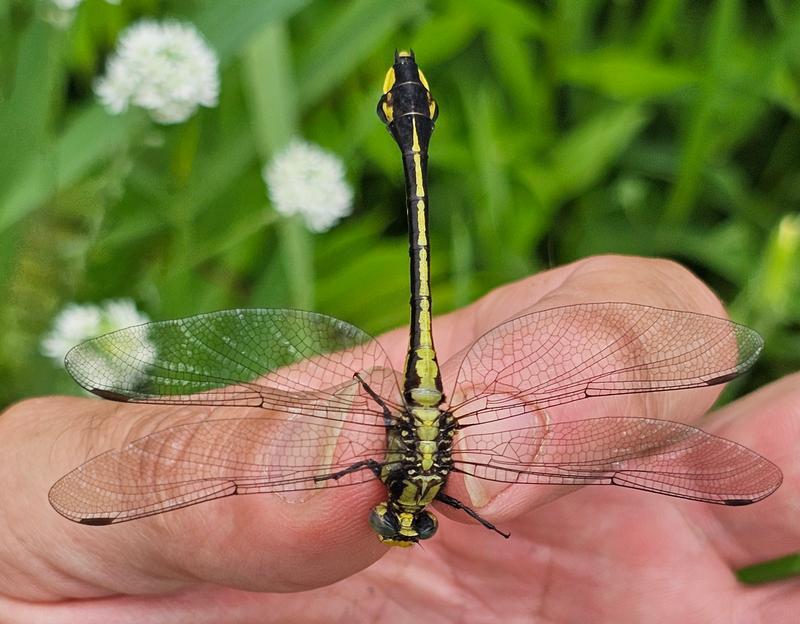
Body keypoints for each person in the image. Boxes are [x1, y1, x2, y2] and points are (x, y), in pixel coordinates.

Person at [1, 256, 797, 623]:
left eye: (401, 520)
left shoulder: (387, 472)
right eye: (409, 520)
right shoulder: (381, 472)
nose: (407, 522)